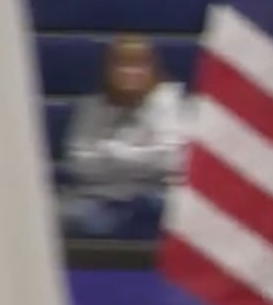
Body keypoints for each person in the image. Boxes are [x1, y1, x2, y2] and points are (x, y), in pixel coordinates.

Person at [59, 36, 188, 239]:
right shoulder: (91, 107)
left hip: (154, 196)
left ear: (152, 68)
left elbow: (171, 160)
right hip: (98, 198)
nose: (129, 72)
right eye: (121, 65)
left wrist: (111, 151)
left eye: (137, 65)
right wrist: (143, 156)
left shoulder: (169, 102)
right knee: (68, 215)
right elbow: (79, 164)